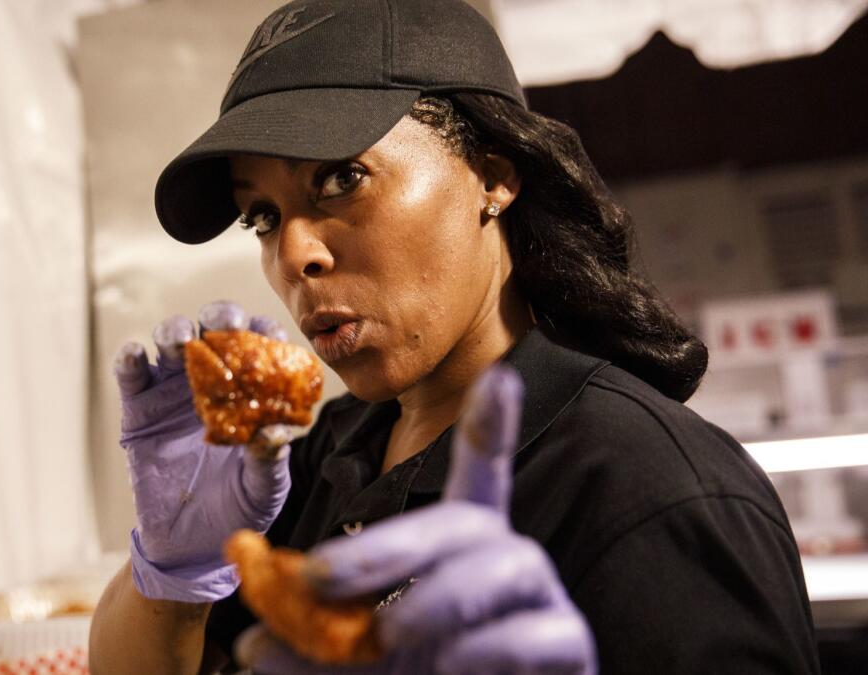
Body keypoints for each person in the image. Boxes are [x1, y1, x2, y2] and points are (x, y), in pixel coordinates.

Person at [88, 0, 819, 672]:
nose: (292, 255)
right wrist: (173, 572)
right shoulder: (331, 453)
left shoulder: (652, 492)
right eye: (264, 216)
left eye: (343, 178)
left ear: (492, 176)